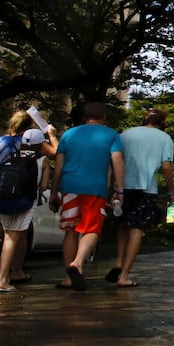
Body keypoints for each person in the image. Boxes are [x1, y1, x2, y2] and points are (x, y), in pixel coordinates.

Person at [0, 111, 57, 292]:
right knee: (15, 236)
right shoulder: (34, 144)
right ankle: (12, 273)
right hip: (20, 195)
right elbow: (56, 154)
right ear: (29, 127)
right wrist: (51, 134)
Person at [49, 102, 124, 292]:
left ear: (84, 116)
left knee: (71, 230)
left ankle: (68, 277)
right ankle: (78, 263)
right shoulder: (111, 135)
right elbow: (117, 161)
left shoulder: (68, 134)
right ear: (104, 117)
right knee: (91, 229)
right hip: (95, 188)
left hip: (69, 186)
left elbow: (58, 164)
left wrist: (54, 190)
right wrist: (119, 189)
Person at [107, 107, 174, 288]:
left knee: (122, 225)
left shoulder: (125, 135)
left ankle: (119, 262)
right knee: (136, 229)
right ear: (161, 122)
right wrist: (170, 191)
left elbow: (114, 161)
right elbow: (166, 166)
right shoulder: (165, 138)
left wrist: (111, 187)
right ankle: (125, 276)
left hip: (123, 187)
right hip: (147, 189)